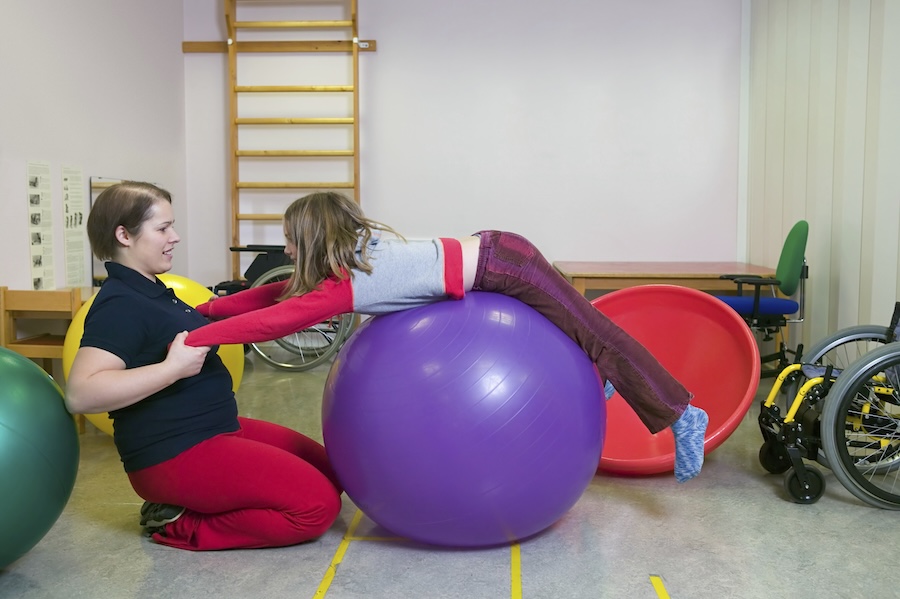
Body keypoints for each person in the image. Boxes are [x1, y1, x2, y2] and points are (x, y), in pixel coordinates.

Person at [185, 192, 710, 483]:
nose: (288, 252)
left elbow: (278, 319)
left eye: (292, 243)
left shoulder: (349, 282)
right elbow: (272, 299)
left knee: (597, 334)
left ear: (315, 240)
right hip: (495, 256)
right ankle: (602, 381)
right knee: (576, 332)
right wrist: (203, 311)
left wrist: (198, 338)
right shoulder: (349, 265)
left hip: (507, 264)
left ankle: (683, 413)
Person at [64, 182, 343, 551]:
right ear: (123, 235)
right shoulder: (120, 303)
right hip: (176, 451)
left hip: (217, 428)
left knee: (331, 472)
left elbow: (229, 310)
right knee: (316, 508)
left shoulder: (153, 291)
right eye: (162, 228)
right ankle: (178, 523)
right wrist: (171, 369)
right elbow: (81, 393)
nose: (175, 237)